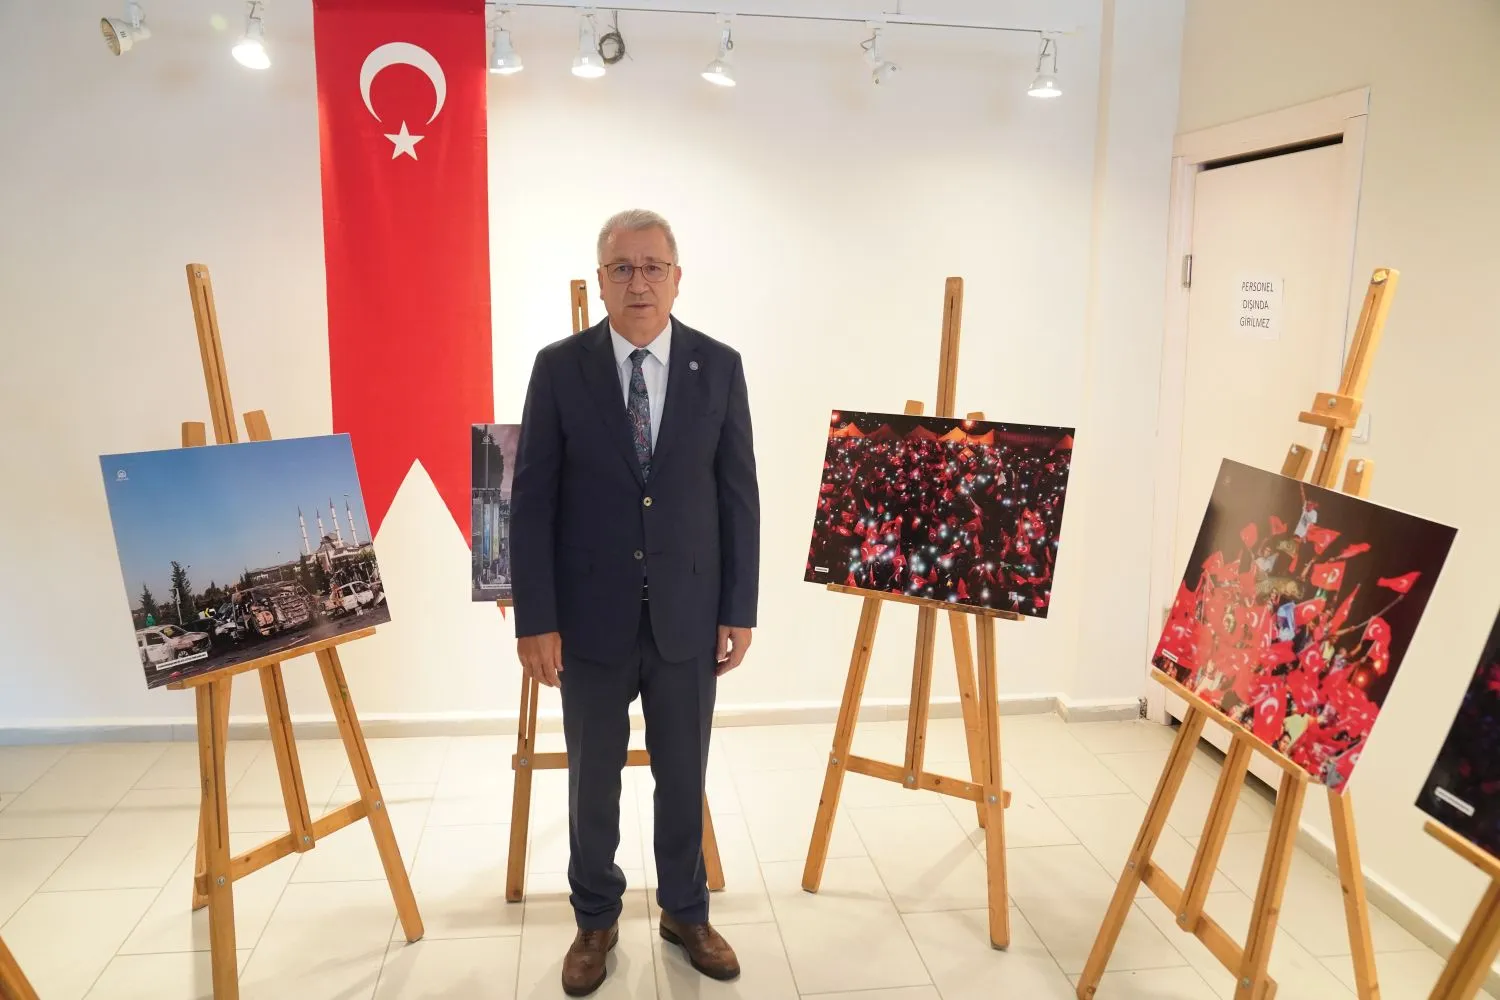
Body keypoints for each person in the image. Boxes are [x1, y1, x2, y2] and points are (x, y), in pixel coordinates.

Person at [511, 209, 760, 997]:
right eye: (623, 268)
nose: (639, 282)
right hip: (588, 619)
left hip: (687, 613)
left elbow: (738, 495)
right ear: (602, 279)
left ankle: (686, 909)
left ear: (678, 277)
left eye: (654, 266)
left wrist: (739, 606)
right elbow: (533, 503)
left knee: (684, 772)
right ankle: (595, 917)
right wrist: (537, 619)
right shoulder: (560, 368)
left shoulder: (717, 366)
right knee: (594, 777)